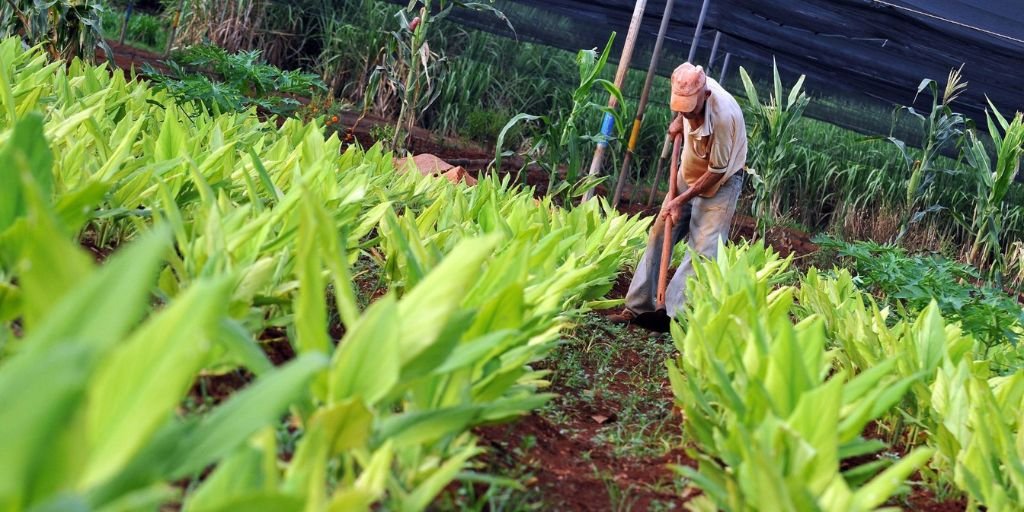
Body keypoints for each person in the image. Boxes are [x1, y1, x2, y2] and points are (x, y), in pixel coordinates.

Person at [608, 62, 747, 325]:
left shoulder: (723, 117)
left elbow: (716, 172)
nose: (688, 116)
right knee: (660, 231)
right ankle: (637, 308)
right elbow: (685, 111)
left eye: (691, 111)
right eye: (680, 109)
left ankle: (671, 316)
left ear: (704, 97)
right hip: (690, 170)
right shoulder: (690, 94)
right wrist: (678, 122)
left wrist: (679, 200)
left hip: (723, 180)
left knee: (703, 249)